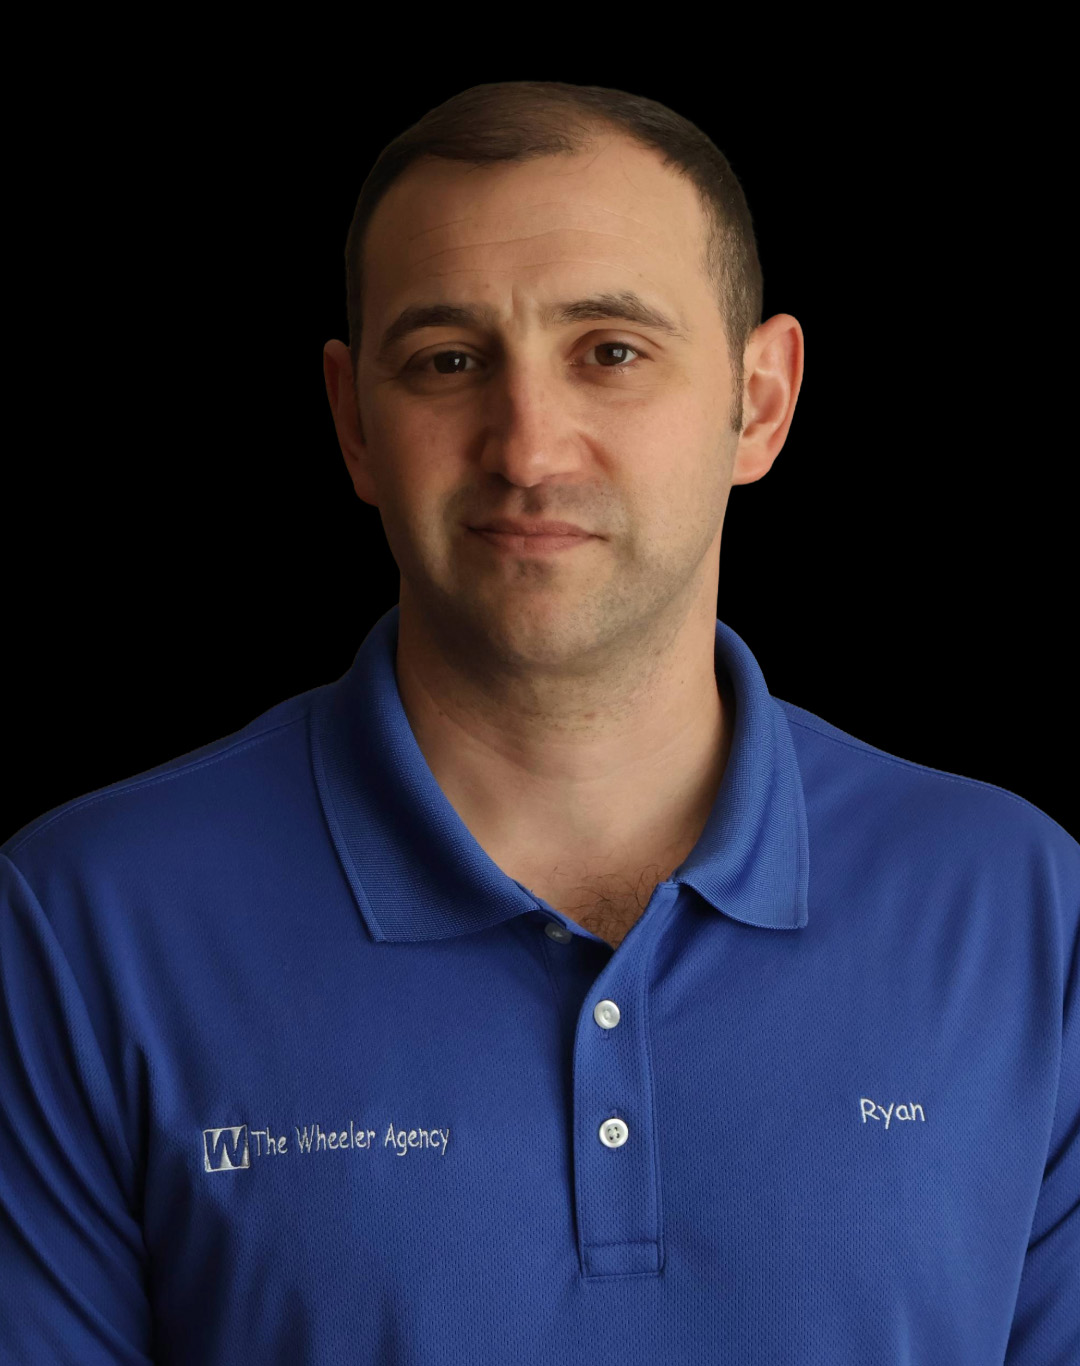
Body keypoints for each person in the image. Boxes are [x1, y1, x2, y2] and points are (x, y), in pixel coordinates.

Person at [2, 82, 1076, 1365]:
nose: (526, 446)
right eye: (449, 361)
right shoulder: (80, 922)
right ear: (353, 422)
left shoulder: (1023, 905)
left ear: (762, 400)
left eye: (611, 350)